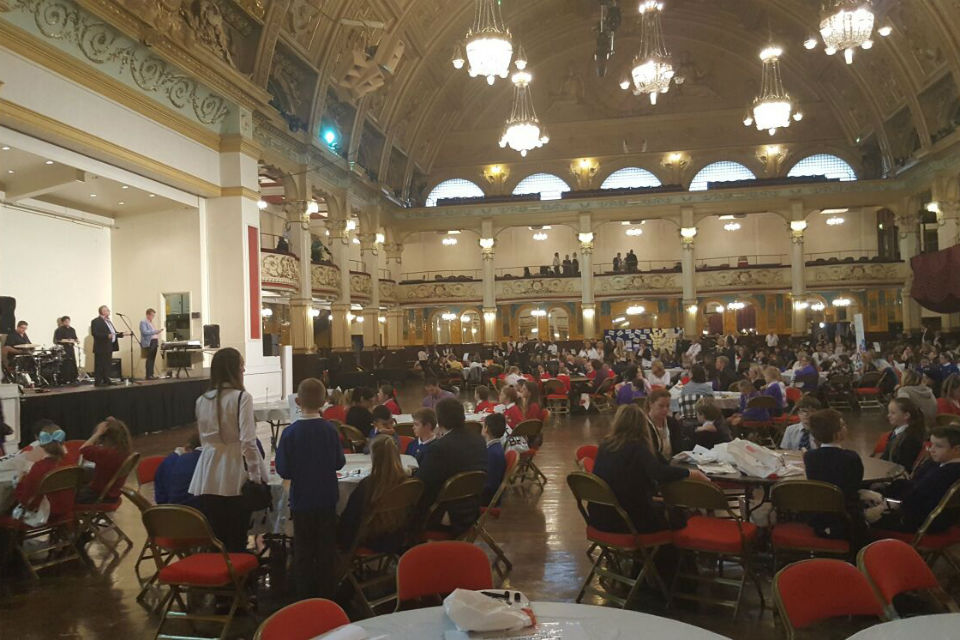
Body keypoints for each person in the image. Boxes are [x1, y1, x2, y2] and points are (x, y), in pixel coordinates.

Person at [188, 348, 268, 553]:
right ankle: (238, 579)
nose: (244, 369)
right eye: (241, 365)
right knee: (237, 536)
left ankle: (221, 579)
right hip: (234, 471)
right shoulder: (242, 397)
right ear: (234, 369)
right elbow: (248, 442)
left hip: (208, 472)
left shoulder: (201, 400)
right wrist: (256, 477)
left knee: (217, 536)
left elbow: (204, 439)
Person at [275, 377, 345, 598]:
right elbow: (339, 462)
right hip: (326, 496)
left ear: (297, 401)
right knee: (326, 547)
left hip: (302, 498)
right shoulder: (330, 430)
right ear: (324, 401)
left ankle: (304, 594)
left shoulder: (290, 433)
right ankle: (327, 592)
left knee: (303, 548)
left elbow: (284, 470)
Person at [590, 404, 708, 533]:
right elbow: (658, 472)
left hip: (601, 516)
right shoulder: (637, 447)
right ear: (642, 424)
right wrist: (690, 473)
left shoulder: (605, 445)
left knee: (669, 508)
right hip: (628, 520)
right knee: (681, 514)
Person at [415, 398, 487, 536]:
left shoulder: (439, 447)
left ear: (439, 421)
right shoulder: (478, 440)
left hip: (445, 514)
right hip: (471, 508)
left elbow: (420, 484)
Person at [874, 426, 960, 533]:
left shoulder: (947, 473)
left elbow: (915, 498)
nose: (931, 449)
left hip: (922, 522)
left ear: (956, 449)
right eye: (931, 444)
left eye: (938, 446)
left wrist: (885, 502)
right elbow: (915, 485)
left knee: (860, 518)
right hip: (919, 511)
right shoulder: (938, 463)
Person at [337, 435, 411, 555]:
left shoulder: (368, 485)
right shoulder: (407, 481)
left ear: (374, 457)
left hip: (370, 537)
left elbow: (350, 518)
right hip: (397, 533)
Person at [803, 409, 864, 539]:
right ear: (837, 434)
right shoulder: (851, 458)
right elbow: (856, 484)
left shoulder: (809, 457)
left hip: (819, 515)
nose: (846, 427)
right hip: (846, 515)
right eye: (843, 425)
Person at [77, 417, 132, 504]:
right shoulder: (124, 450)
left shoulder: (106, 454)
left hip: (98, 495)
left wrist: (98, 433)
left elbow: (83, 450)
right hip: (113, 493)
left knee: (68, 495)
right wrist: (115, 425)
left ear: (105, 437)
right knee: (86, 473)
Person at [880, 397, 927, 474]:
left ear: (906, 415)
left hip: (897, 474)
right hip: (888, 469)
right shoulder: (896, 432)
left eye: (893, 413)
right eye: (889, 412)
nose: (888, 415)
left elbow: (904, 464)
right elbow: (886, 455)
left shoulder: (910, 437)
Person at [153, 433, 202, 505]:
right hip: (171, 508)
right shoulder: (178, 462)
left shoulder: (172, 460)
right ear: (188, 448)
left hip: (167, 507)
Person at [90, 306, 125, 387]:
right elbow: (95, 333)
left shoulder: (108, 321)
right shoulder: (96, 321)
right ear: (102, 311)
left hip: (109, 346)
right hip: (101, 347)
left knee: (107, 364)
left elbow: (113, 333)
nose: (109, 311)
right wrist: (106, 336)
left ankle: (106, 379)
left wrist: (122, 334)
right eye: (107, 310)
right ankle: (98, 381)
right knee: (100, 365)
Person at [646, 388, 686, 458]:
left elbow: (679, 449)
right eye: (661, 406)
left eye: (667, 406)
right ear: (650, 404)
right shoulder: (643, 425)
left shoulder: (672, 423)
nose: (665, 409)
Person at [481, 413, 507, 506]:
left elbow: (490, 484)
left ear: (486, 428)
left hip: (487, 497)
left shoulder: (492, 452)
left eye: (483, 425)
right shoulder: (496, 447)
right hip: (489, 492)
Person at [53, 316, 79, 383]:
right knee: (66, 363)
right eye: (66, 322)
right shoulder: (59, 330)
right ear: (63, 322)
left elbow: (75, 338)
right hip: (64, 348)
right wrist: (67, 340)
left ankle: (73, 377)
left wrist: (76, 340)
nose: (67, 323)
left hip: (71, 348)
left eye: (68, 321)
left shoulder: (72, 329)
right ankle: (65, 378)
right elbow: (57, 340)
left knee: (72, 362)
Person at [139, 308, 164, 380]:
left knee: (152, 358)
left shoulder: (151, 323)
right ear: (147, 315)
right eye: (152, 315)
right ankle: (148, 375)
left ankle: (151, 374)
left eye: (153, 315)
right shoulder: (143, 322)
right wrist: (155, 331)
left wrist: (157, 332)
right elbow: (144, 332)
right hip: (149, 342)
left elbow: (152, 332)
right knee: (149, 358)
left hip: (154, 341)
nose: (153, 317)